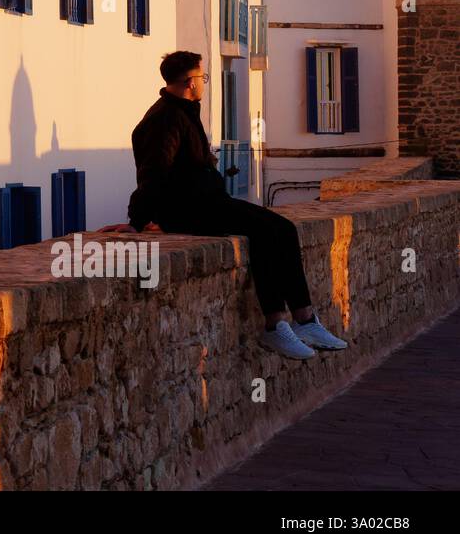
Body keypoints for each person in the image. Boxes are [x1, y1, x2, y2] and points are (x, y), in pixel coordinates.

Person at [125, 50, 347, 360]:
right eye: (201, 77)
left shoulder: (184, 111)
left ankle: (305, 319)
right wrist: (139, 219)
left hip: (209, 203)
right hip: (188, 210)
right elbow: (154, 172)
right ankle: (274, 325)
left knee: (282, 228)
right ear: (189, 82)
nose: (204, 83)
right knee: (264, 234)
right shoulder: (166, 118)